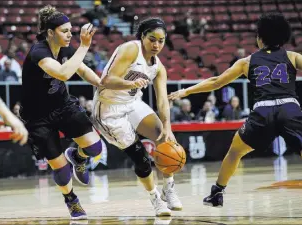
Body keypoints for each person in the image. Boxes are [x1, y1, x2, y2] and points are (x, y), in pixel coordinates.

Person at [168, 13, 302, 207]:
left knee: (234, 152)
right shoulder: (292, 56)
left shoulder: (247, 62)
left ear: (260, 38)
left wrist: (186, 91)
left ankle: (217, 193)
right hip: (289, 108)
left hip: (263, 112)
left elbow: (216, 82)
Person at [20, 5, 105, 220]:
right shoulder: (38, 51)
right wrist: (84, 46)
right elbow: (63, 73)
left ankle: (78, 155)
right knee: (62, 170)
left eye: (70, 30)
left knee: (95, 148)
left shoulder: (65, 48)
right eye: (64, 31)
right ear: (50, 32)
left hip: (63, 106)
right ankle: (72, 201)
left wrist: (104, 85)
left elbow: (82, 70)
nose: (70, 35)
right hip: (38, 118)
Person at [92, 18, 182, 216]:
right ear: (142, 36)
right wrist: (130, 85)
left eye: (161, 40)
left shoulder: (158, 67)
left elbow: (162, 101)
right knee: (141, 158)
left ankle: (169, 188)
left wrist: (168, 127)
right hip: (109, 109)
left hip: (132, 103)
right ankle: (155, 198)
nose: (156, 45)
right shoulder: (130, 49)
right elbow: (106, 81)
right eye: (152, 39)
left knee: (162, 137)